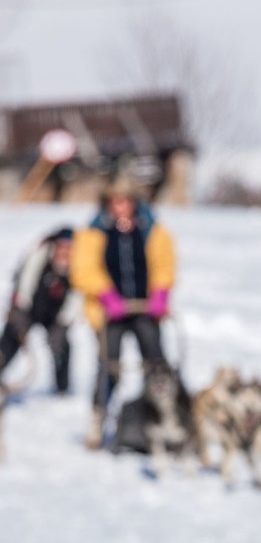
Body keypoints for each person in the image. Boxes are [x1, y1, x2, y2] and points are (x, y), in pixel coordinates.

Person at [71, 176, 176, 449]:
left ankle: (164, 418)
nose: (121, 207)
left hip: (144, 308)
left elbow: (164, 262)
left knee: (156, 363)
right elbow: (83, 268)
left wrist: (161, 293)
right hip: (110, 311)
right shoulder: (95, 231)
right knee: (110, 367)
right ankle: (98, 420)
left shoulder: (150, 228)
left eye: (126, 201)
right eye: (115, 201)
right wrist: (105, 294)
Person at [0, 227, 77, 395]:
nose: (65, 252)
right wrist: (19, 311)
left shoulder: (77, 270)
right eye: (62, 246)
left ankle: (62, 391)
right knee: (11, 336)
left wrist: (62, 324)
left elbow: (76, 299)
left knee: (62, 345)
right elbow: (24, 284)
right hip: (29, 308)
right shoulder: (39, 258)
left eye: (69, 248)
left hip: (55, 317)